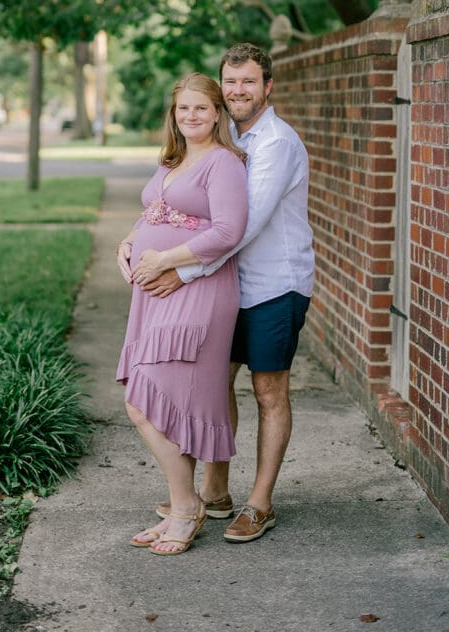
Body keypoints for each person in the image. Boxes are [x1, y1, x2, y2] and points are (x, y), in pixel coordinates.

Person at [142, 43, 314, 543]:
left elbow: (239, 228)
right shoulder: (225, 140)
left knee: (268, 390)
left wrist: (181, 272)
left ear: (268, 87)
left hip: (274, 286)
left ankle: (260, 504)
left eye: (249, 82)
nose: (239, 90)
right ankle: (214, 491)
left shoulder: (276, 144)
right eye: (231, 82)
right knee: (214, 382)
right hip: (227, 285)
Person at [115, 73, 248, 556]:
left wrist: (164, 260)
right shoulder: (173, 159)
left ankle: (187, 507)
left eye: (200, 108)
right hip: (154, 294)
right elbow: (153, 212)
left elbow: (229, 231)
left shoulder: (223, 164)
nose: (190, 116)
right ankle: (178, 507)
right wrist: (129, 242)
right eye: (182, 109)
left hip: (200, 291)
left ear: (217, 113)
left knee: (143, 399)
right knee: (163, 403)